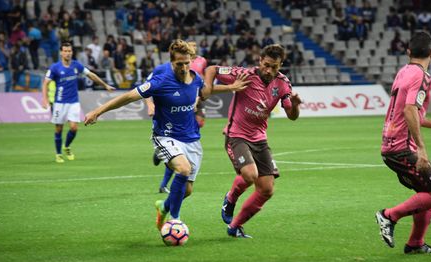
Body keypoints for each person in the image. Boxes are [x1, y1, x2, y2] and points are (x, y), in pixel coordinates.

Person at [83, 39, 248, 230]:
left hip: (191, 138)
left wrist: (230, 87)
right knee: (183, 169)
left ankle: (164, 206)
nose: (184, 67)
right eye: (180, 63)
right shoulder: (161, 80)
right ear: (172, 62)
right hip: (165, 135)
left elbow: (205, 92)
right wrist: (97, 111)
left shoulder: (195, 78)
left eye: (187, 62)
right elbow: (128, 96)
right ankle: (175, 220)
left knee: (186, 191)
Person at [376, 31, 431, 255]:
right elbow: (410, 110)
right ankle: (388, 215)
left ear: (408, 52)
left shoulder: (404, 71)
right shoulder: (423, 77)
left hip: (391, 146)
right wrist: (422, 148)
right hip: (402, 149)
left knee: (426, 196)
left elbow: (413, 112)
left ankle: (415, 244)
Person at [205, 44, 302, 238]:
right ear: (260, 61)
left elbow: (292, 116)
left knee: (266, 189)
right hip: (236, 135)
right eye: (266, 65)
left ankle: (234, 226)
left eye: (274, 66)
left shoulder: (283, 84)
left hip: (259, 139)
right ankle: (230, 198)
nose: (269, 70)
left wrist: (296, 106)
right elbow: (212, 69)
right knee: (250, 175)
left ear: (280, 65)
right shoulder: (244, 74)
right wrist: (208, 88)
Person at [149, 40, 209, 194]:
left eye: (195, 47)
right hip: (168, 115)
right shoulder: (163, 69)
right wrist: (150, 104)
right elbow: (147, 87)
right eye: (191, 46)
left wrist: (198, 100)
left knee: (197, 126)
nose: (194, 49)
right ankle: (164, 184)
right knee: (179, 158)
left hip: (191, 101)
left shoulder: (201, 63)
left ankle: (166, 203)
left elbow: (201, 84)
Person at [42, 42, 115, 163]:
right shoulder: (55, 67)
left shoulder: (76, 65)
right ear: (61, 52)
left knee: (74, 128)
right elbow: (46, 83)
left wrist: (105, 85)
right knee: (58, 129)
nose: (67, 53)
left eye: (69, 51)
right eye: (65, 51)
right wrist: (44, 99)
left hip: (73, 102)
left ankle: (66, 146)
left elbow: (91, 75)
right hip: (59, 102)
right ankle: (58, 153)